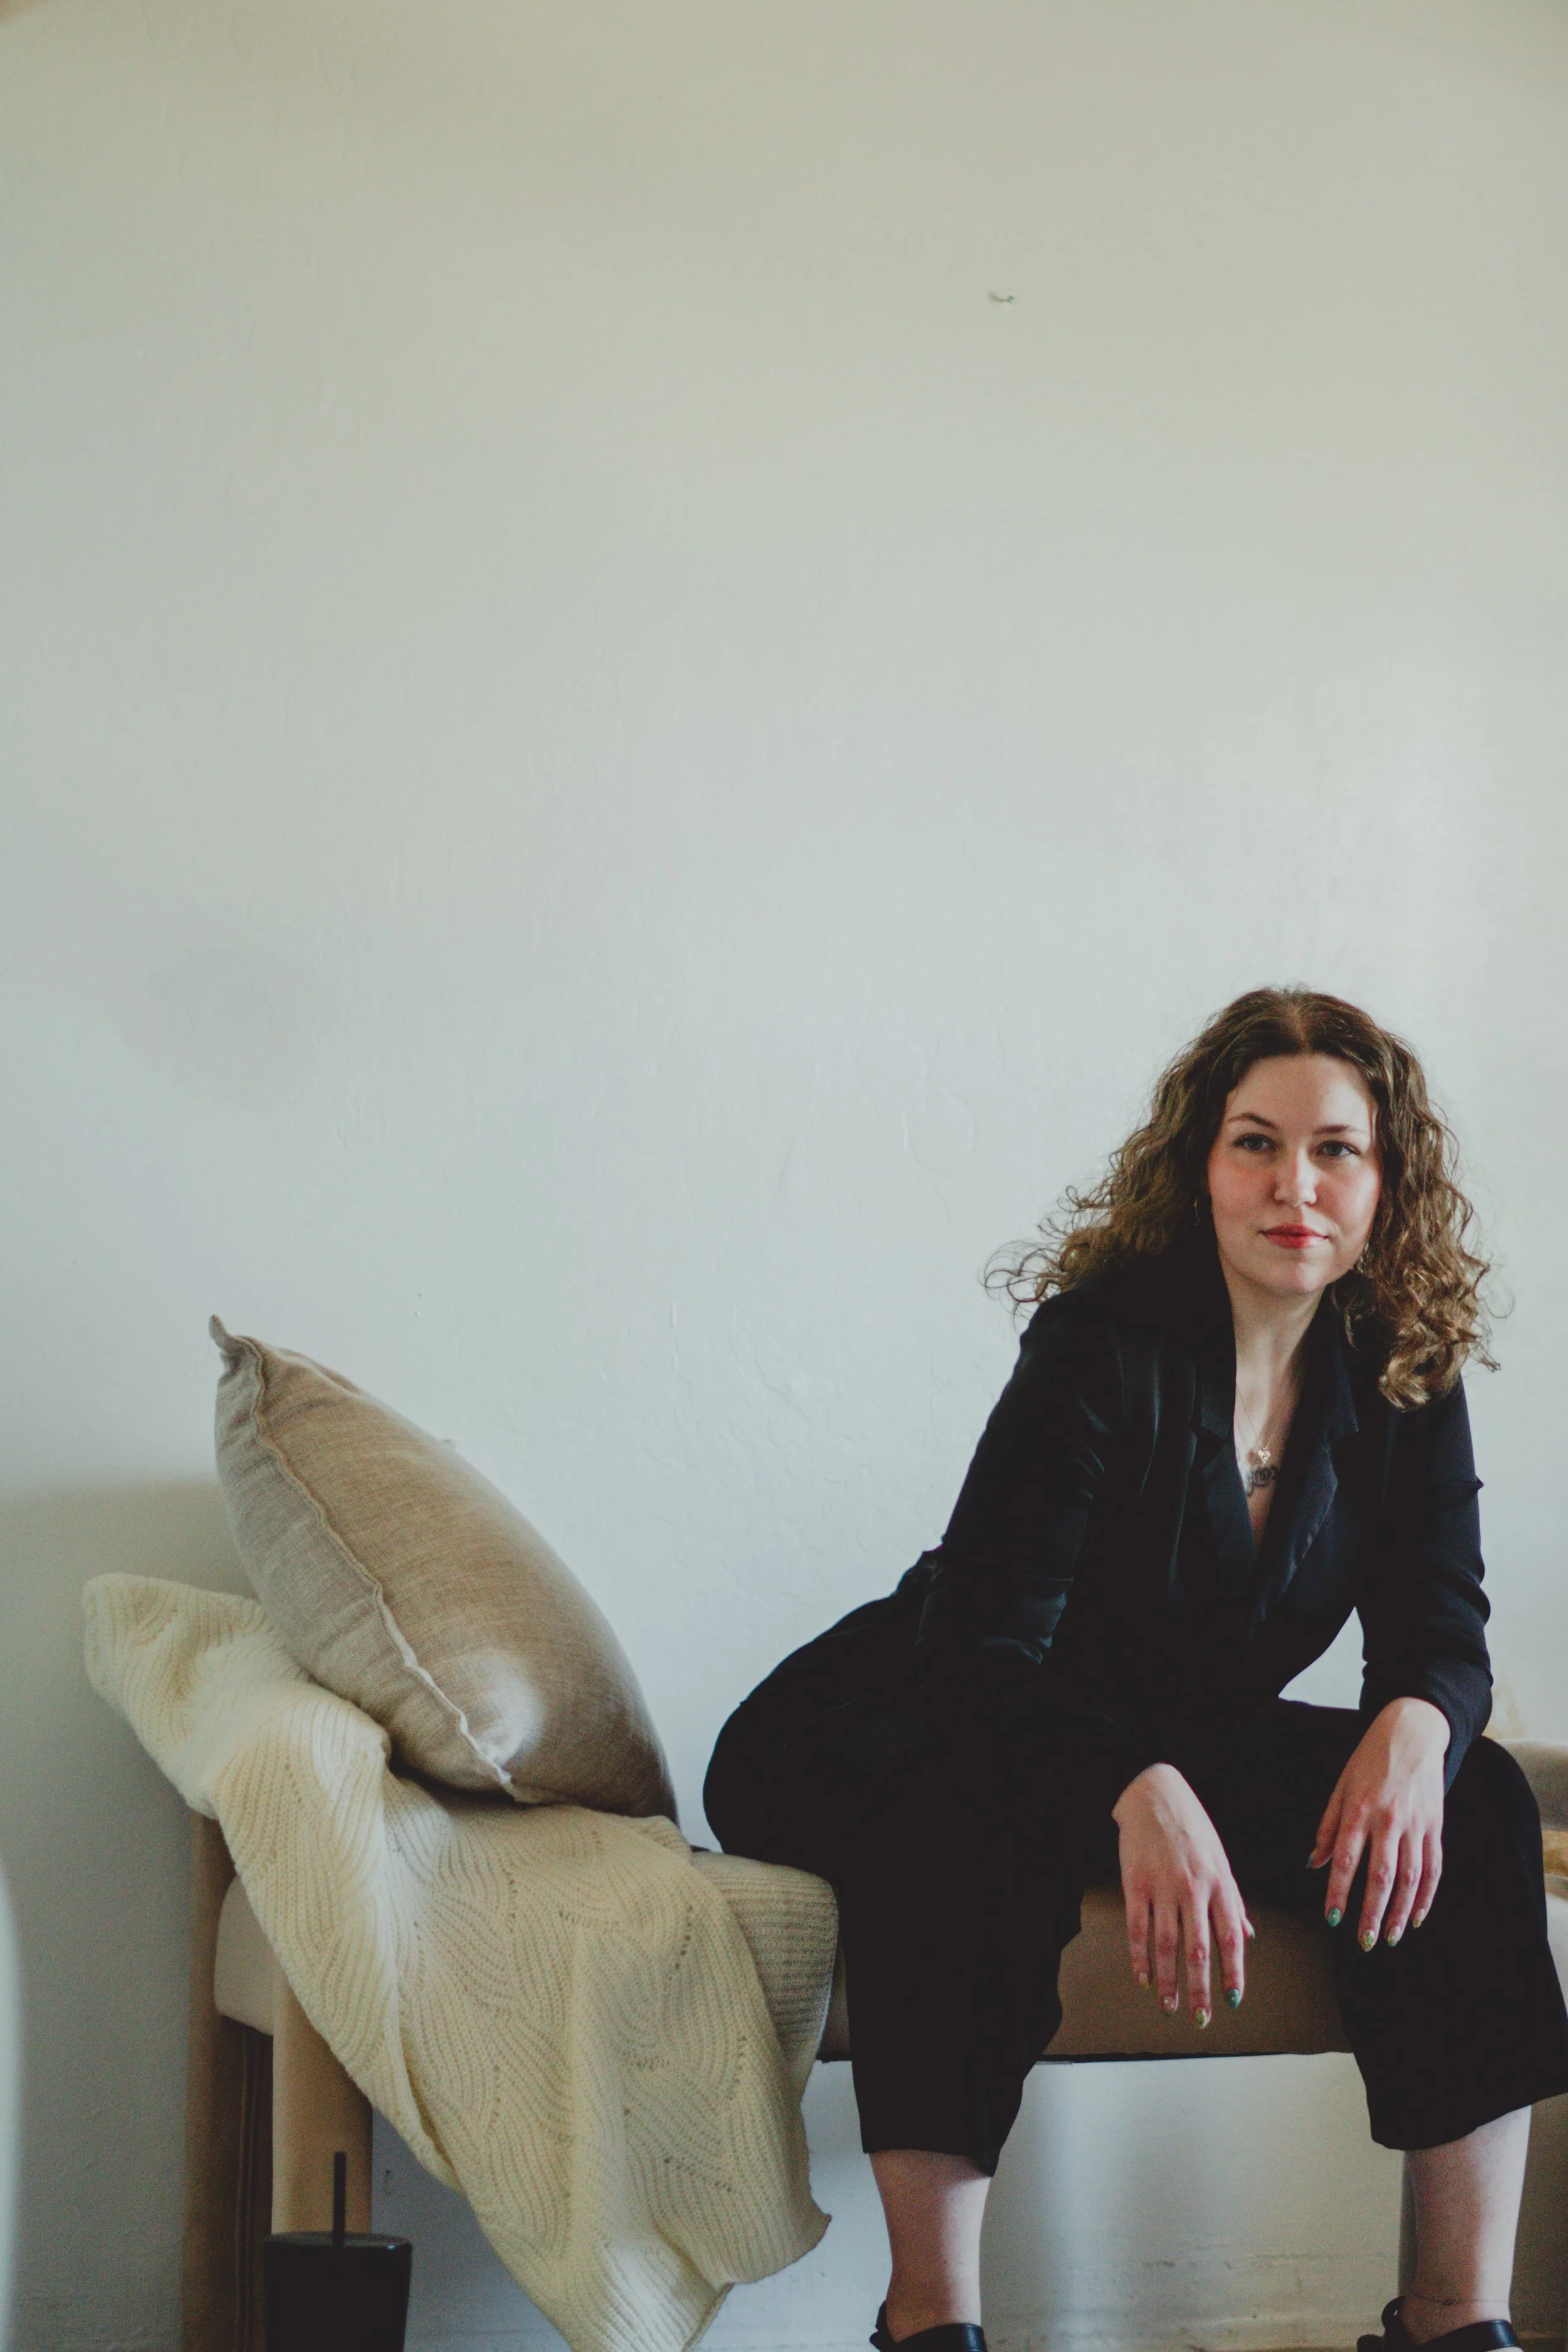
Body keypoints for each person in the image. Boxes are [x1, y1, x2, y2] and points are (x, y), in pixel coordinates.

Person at [704, 986, 1568, 2352]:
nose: (1295, 1184)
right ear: (1199, 1166)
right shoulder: (1101, 1341)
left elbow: (1437, 1615)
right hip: (914, 1705)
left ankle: (1453, 2326)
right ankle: (930, 2326)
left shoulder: (1398, 1362)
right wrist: (1132, 1782)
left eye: (1335, 1148)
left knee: (1472, 1804)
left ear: (1384, 1178)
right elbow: (986, 1648)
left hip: (1166, 1732)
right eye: (1253, 1143)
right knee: (960, 1823)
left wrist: (1419, 1716)